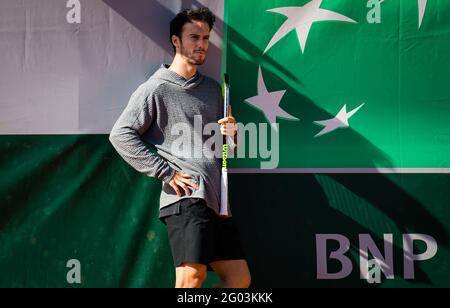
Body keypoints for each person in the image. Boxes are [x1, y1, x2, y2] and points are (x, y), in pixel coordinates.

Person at [109, 7, 251, 288]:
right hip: (186, 197)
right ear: (176, 41)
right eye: (194, 37)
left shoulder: (213, 90)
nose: (201, 44)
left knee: (238, 279)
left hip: (217, 202)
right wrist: (166, 173)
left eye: (206, 38)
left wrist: (232, 133)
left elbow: (227, 150)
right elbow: (120, 135)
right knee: (191, 279)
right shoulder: (155, 89)